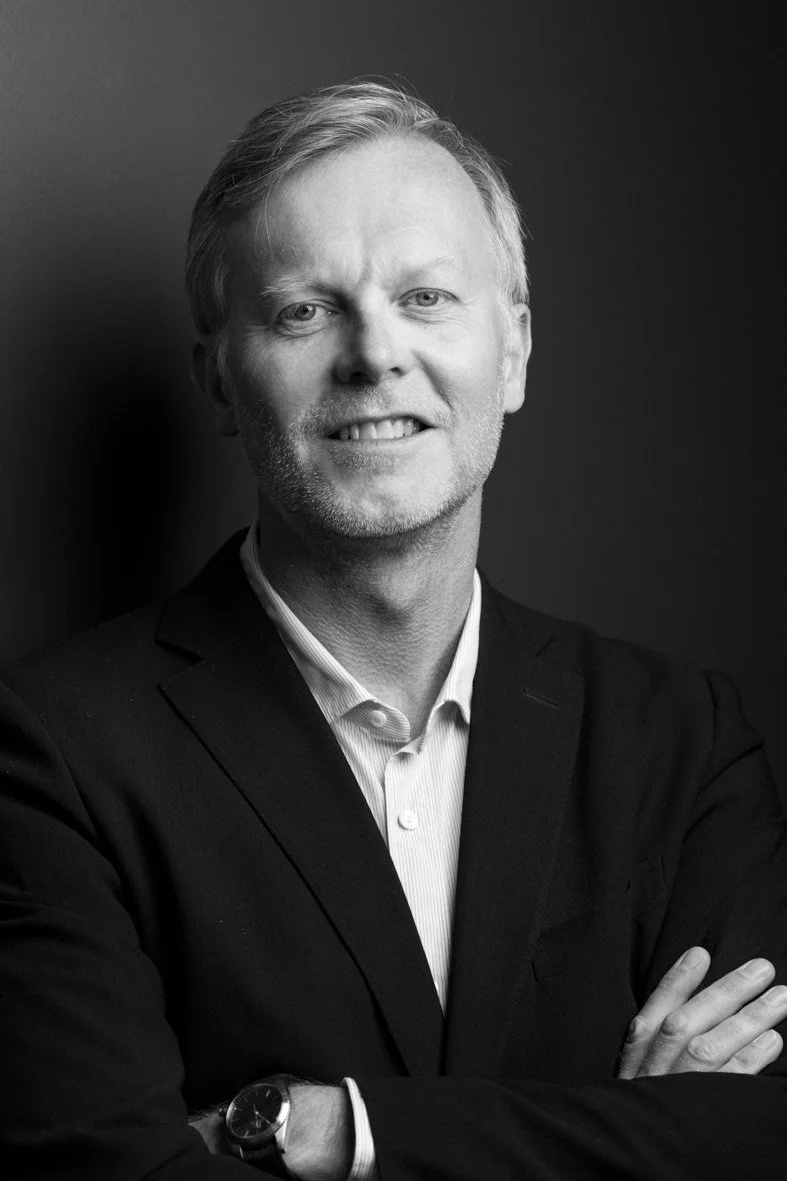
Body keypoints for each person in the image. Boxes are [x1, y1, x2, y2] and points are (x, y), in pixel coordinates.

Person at [1, 79, 785, 1181]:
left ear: (512, 352)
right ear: (218, 380)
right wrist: (630, 1130)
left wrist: (337, 1130)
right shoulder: (50, 754)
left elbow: (762, 1139)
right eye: (302, 311)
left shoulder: (681, 741)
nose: (373, 354)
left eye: (425, 297)